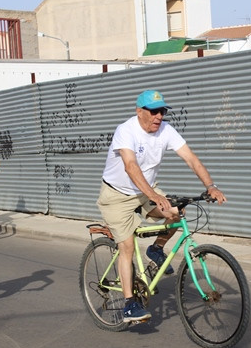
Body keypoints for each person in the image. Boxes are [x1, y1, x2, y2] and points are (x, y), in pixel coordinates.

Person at [97, 90, 226, 322]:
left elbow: (191, 159)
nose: (159, 116)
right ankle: (129, 305)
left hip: (146, 189)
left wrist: (211, 185)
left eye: (163, 111)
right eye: (154, 111)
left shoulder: (166, 130)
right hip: (117, 195)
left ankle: (155, 249)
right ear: (139, 112)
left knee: (177, 213)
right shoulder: (126, 131)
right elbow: (130, 166)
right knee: (126, 245)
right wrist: (154, 196)